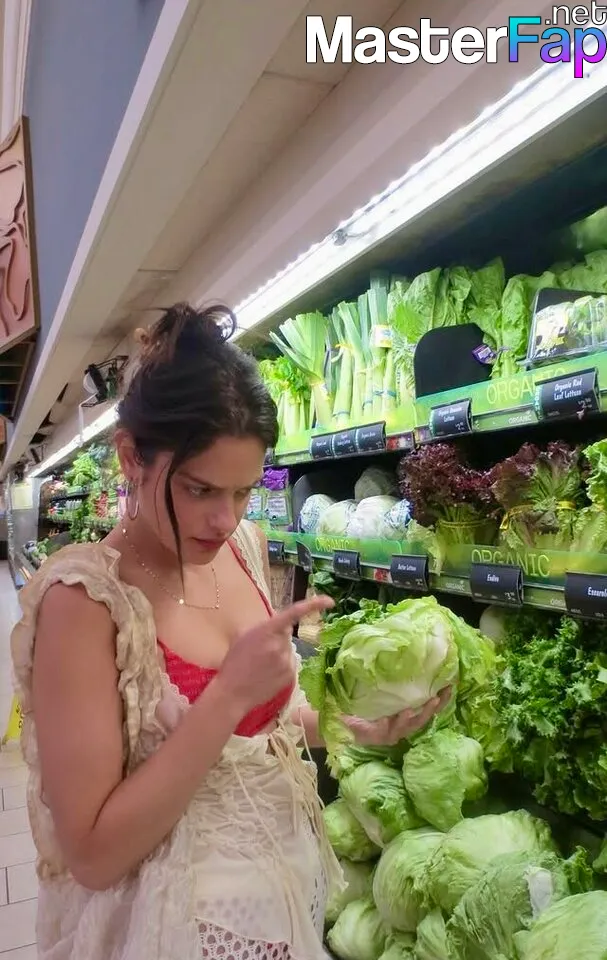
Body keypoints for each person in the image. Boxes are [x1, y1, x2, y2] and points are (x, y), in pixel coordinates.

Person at [11, 304, 449, 960]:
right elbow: (94, 854)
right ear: (131, 457)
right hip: (166, 930)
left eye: (243, 492)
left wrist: (348, 725)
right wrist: (226, 697)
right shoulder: (86, 603)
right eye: (199, 490)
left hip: (282, 904)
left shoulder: (243, 547)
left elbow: (265, 729)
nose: (224, 518)